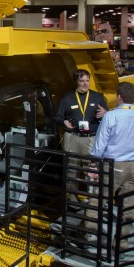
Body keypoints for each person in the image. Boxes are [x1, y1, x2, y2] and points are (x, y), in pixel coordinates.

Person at [83, 82, 134, 251]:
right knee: (127, 209)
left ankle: (88, 236)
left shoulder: (111, 117)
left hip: (113, 165)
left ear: (119, 97)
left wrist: (94, 164)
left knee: (98, 202)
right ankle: (121, 244)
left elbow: (100, 145)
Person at [53, 69, 108, 203]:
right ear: (76, 82)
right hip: (72, 137)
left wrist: (106, 112)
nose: (85, 84)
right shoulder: (67, 98)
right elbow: (57, 117)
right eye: (82, 81)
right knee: (72, 169)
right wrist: (63, 121)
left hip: (91, 138)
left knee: (91, 169)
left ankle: (93, 198)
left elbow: (108, 117)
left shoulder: (97, 97)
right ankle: (72, 198)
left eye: (87, 81)